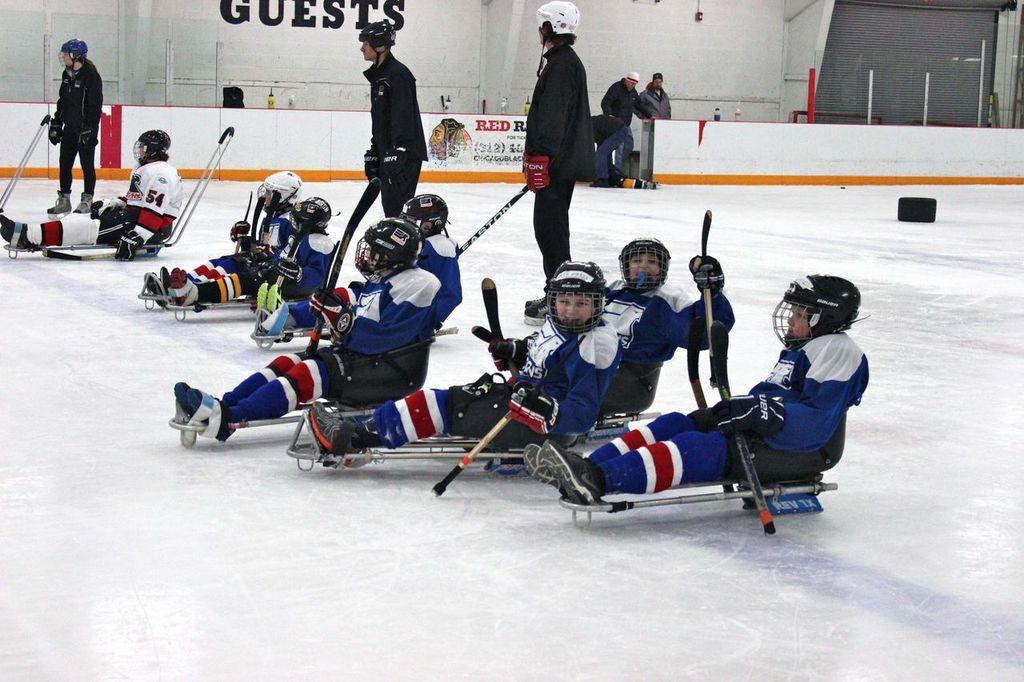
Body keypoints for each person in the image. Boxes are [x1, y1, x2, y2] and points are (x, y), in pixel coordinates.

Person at [524, 275, 869, 504]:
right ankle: (584, 466)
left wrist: (763, 413)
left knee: (697, 445)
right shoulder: (806, 349)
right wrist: (744, 407)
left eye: (799, 313)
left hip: (802, 448)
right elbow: (776, 398)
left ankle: (599, 479)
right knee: (675, 423)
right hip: (772, 435)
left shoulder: (839, 350)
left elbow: (817, 420)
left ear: (822, 318)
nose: (791, 319)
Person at [306, 260, 621, 468]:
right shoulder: (561, 328)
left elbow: (582, 414)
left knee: (443, 404)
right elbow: (541, 355)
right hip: (517, 403)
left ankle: (352, 441)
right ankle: (363, 432)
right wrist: (513, 349)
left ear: (598, 304)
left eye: (581, 304)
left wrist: (547, 411)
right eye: (564, 302)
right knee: (451, 397)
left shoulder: (595, 344)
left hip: (540, 431)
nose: (570, 310)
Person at [173, 218, 444, 442]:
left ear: (389, 254)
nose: (366, 254)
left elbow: (383, 339)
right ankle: (227, 404)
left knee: (308, 372)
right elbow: (352, 307)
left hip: (392, 370)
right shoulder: (382, 280)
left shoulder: (419, 284)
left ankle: (228, 420)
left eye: (373, 250)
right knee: (287, 361)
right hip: (366, 360)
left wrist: (340, 319)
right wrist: (315, 307)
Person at [257, 193, 463, 337]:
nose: (406, 223)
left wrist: (428, 322)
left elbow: (451, 294)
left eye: (412, 220)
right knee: (340, 294)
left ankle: (291, 318)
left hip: (400, 306)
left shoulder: (441, 248)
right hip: (391, 292)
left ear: (430, 223)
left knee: (349, 305)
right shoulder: (420, 242)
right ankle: (289, 314)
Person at [2, 130, 182, 261]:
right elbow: (139, 198)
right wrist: (114, 202)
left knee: (89, 227)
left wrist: (138, 236)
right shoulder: (146, 168)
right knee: (83, 216)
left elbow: (154, 211)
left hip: (151, 228)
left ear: (153, 149)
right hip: (134, 219)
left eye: (143, 148)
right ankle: (31, 232)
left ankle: (29, 236)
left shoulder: (161, 173)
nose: (140, 151)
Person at [522, 1, 594, 325]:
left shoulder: (562, 65)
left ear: (550, 28)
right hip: (557, 163)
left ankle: (561, 298)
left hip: (556, 165)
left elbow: (552, 117)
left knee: (551, 231)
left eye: (542, 26)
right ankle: (559, 292)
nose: (539, 32)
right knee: (550, 230)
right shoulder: (562, 62)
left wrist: (541, 159)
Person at [143, 171, 304, 306]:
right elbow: (262, 247)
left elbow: (288, 253)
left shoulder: (290, 222)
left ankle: (191, 290)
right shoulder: (272, 217)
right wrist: (244, 238)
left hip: (268, 270)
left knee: (227, 266)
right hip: (260, 262)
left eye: (269, 193)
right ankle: (183, 281)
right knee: (218, 262)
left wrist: (268, 257)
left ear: (283, 196)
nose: (264, 196)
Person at [605, 238, 733, 367]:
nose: (643, 266)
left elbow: (701, 334)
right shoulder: (610, 291)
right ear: (626, 267)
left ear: (662, 268)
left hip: (632, 377)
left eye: (652, 261)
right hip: (593, 370)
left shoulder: (669, 300)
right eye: (636, 261)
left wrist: (713, 294)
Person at [359, 20, 428, 218]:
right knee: (391, 210)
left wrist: (399, 151)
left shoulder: (398, 75)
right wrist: (375, 149)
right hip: (389, 153)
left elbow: (404, 117)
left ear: (379, 45)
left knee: (399, 211)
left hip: (402, 155)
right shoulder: (380, 76)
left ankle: (406, 247)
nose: (362, 48)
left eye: (365, 43)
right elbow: (381, 121)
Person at [47, 38, 103, 217]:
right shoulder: (66, 75)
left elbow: (95, 105)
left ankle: (87, 199)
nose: (63, 57)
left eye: (65, 54)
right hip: (70, 127)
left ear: (75, 55)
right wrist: (57, 121)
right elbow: (63, 100)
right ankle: (64, 201)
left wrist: (90, 128)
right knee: (65, 163)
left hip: (85, 128)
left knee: (87, 165)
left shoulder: (91, 76)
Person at [600, 71, 653, 176]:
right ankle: (616, 174)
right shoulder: (616, 88)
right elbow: (605, 102)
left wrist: (650, 115)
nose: (633, 86)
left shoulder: (633, 92)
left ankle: (614, 167)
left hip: (626, 125)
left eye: (635, 84)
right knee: (619, 149)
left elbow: (638, 104)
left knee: (629, 145)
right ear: (626, 81)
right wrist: (609, 115)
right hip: (616, 124)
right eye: (632, 83)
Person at [590, 114, 629, 188]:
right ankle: (610, 177)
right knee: (603, 154)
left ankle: (603, 179)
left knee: (601, 154)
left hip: (619, 130)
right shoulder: (590, 124)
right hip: (615, 130)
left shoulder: (588, 127)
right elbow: (600, 138)